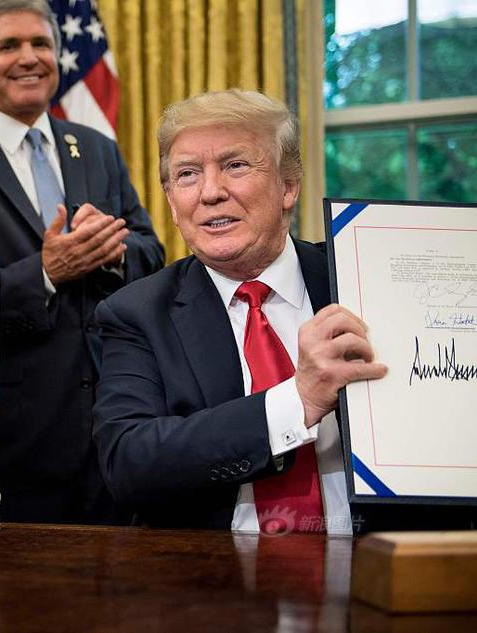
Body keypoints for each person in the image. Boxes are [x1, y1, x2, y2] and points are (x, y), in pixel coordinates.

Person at [92, 89, 389, 535]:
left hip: (378, 559)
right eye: (188, 174)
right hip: (217, 566)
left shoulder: (363, 278)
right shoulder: (136, 313)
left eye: (235, 165)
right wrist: (298, 401)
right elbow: (129, 464)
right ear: (171, 202)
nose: (211, 193)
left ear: (288, 187)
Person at [0, 0, 165, 524]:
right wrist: (46, 272)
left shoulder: (95, 147)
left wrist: (111, 250)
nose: (29, 57)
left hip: (114, 420)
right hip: (12, 430)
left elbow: (152, 249)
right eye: (8, 46)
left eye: (41, 44)